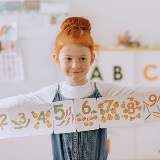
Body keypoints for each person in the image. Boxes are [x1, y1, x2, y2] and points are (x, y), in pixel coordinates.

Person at [0, 17, 160, 160]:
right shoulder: (52, 93)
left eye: (82, 58)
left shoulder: (101, 91)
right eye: (68, 59)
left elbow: (137, 92)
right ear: (57, 59)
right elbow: (20, 101)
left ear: (92, 59)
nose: (75, 65)